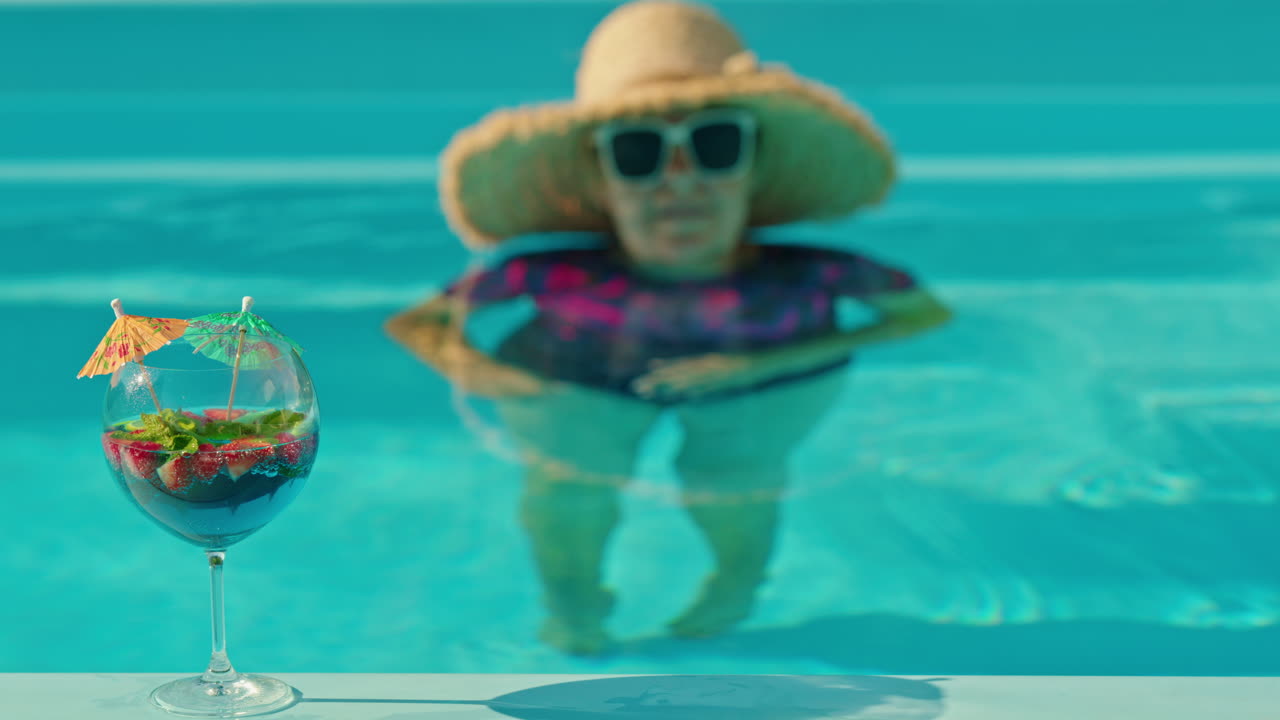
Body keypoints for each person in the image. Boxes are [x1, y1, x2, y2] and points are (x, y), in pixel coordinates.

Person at [386, 0, 951, 655]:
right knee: (569, 481)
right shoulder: (553, 276)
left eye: (715, 144)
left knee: (734, 476)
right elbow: (420, 324)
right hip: (584, 374)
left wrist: (762, 366)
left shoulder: (811, 275)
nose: (680, 180)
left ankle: (735, 585)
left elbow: (922, 313)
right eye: (638, 151)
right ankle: (572, 603)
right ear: (600, 179)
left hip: (759, 374)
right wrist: (493, 378)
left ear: (753, 164)